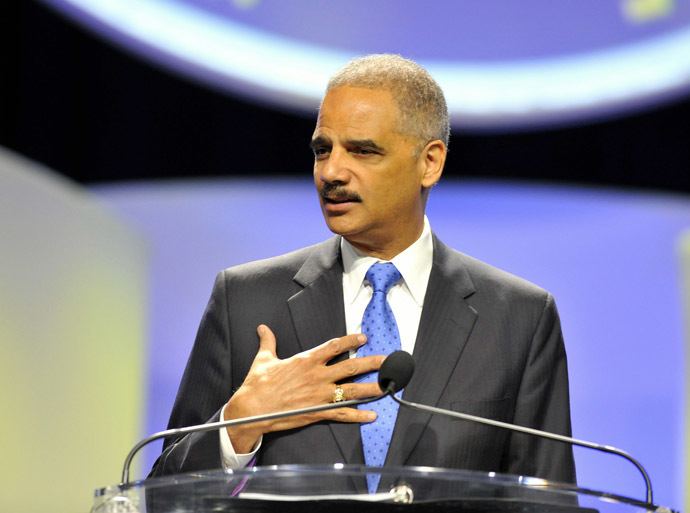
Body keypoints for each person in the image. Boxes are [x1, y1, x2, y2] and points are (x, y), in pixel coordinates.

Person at [150, 54, 576, 490]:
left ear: (429, 163)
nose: (331, 172)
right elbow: (162, 497)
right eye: (322, 150)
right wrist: (238, 424)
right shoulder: (244, 300)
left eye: (361, 150)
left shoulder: (519, 317)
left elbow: (548, 498)